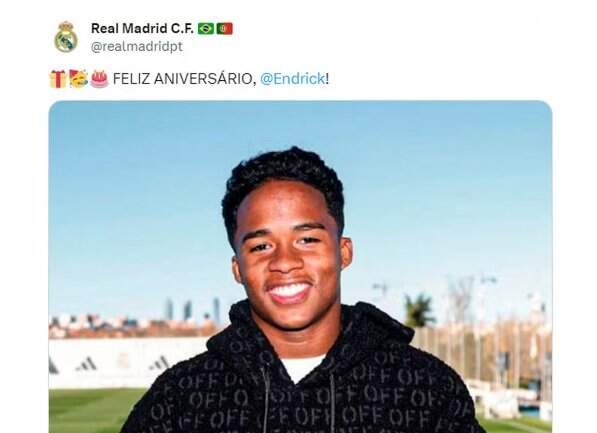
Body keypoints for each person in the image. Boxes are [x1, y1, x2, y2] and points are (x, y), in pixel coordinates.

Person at [121, 146, 485, 433]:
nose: (284, 261)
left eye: (307, 239)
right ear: (237, 268)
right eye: (261, 246)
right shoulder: (180, 398)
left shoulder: (427, 388)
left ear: (343, 252)